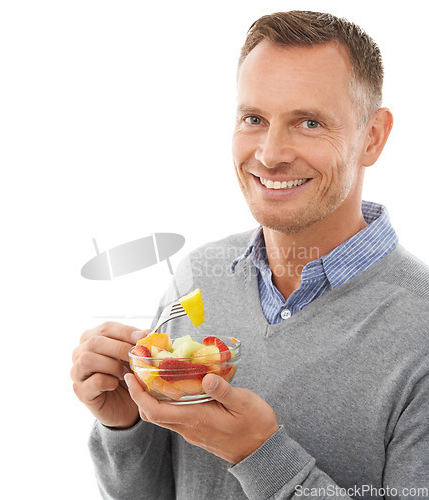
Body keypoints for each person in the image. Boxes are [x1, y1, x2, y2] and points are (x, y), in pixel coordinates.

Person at [71, 11, 429, 499]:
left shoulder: (421, 329)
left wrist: (260, 455)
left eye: (308, 122)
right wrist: (126, 427)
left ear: (373, 137)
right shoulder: (198, 277)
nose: (269, 153)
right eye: (253, 119)